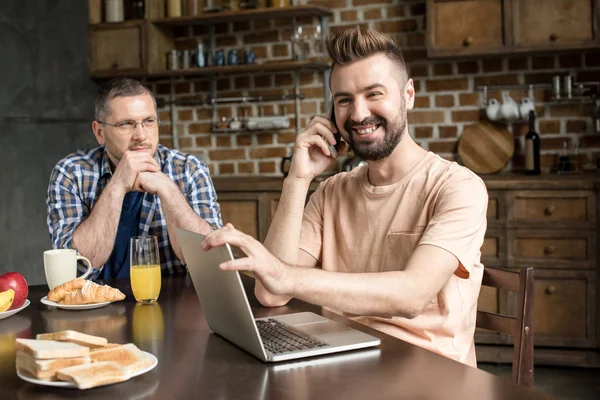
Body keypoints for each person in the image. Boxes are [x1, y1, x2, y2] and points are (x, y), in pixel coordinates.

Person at [201, 26, 488, 367]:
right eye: (344, 100)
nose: (358, 114)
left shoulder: (457, 187)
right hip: (346, 361)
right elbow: (271, 292)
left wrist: (284, 274)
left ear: (408, 94)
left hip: (431, 373)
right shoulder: (331, 191)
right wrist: (298, 177)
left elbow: (412, 295)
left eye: (374, 94)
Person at [47, 78, 221, 280]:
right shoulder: (71, 173)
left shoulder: (189, 169)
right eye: (126, 124)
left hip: (172, 302)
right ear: (100, 132)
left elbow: (209, 262)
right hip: (94, 305)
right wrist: (117, 185)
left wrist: (169, 190)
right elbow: (76, 269)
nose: (141, 135)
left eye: (148, 121)